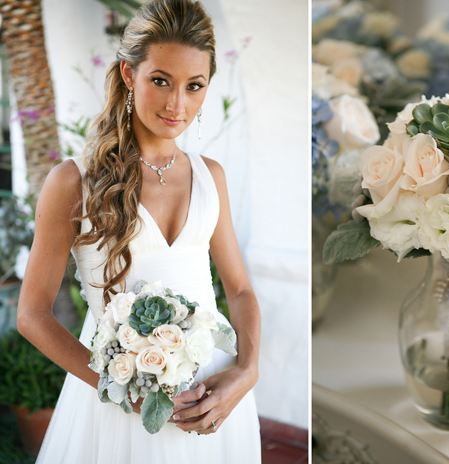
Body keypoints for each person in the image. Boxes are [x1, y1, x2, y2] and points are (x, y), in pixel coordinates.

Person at [16, 0, 262, 462]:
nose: (177, 104)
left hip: (214, 395)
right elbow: (31, 314)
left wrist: (246, 371)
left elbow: (242, 289)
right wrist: (119, 391)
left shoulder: (212, 176)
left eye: (195, 86)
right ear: (129, 75)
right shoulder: (73, 182)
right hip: (118, 400)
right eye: (161, 81)